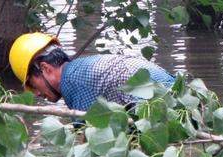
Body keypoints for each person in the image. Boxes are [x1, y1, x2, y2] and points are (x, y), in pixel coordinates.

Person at [9, 33, 176, 111]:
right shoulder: (80, 69)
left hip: (160, 105)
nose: (36, 94)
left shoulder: (72, 84)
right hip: (175, 93)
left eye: (32, 85)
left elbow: (89, 146)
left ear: (45, 68)